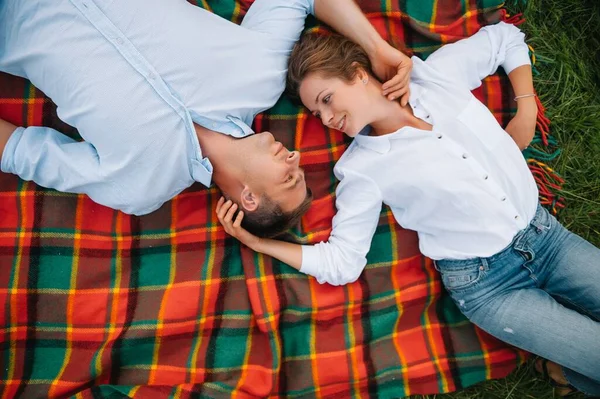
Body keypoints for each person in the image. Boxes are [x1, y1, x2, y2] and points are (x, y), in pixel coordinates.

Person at [216, 24, 600, 396]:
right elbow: (342, 262)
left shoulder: (433, 78)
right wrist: (259, 242)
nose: (328, 119)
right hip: (490, 286)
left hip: (549, 240)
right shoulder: (359, 169)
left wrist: (526, 108)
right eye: (318, 114)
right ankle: (567, 365)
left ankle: (563, 369)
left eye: (327, 100)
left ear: (357, 73)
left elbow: (505, 39)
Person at [0, 0, 412, 238]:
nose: (296, 156)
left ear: (247, 198)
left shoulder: (139, 186)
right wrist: (376, 49)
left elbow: (19, 151)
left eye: (289, 176)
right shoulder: (261, 78)